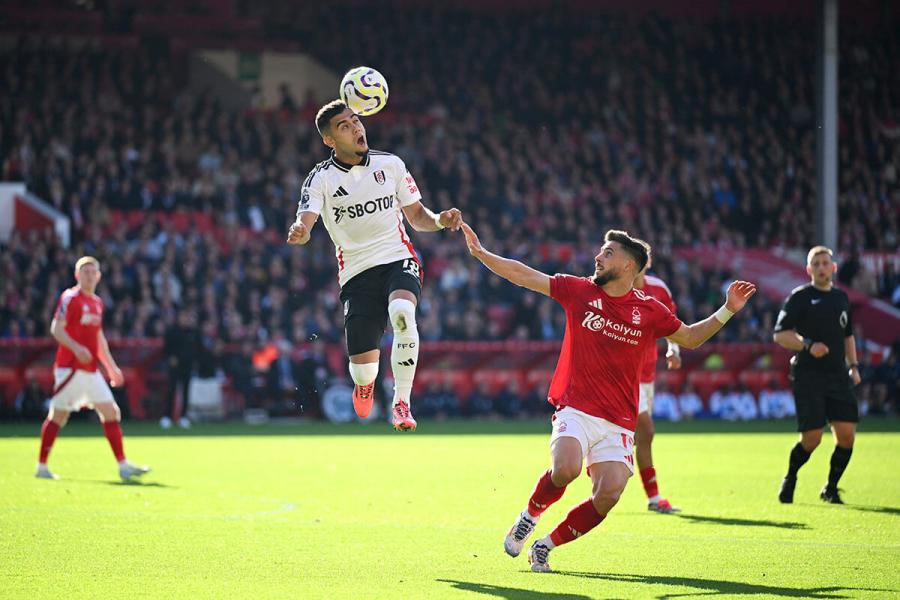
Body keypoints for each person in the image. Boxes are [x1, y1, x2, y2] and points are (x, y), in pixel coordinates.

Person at [460, 223, 755, 572]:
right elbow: (525, 275)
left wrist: (728, 310)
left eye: (608, 253)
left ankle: (545, 545)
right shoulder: (579, 290)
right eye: (601, 251)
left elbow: (689, 338)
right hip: (577, 407)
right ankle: (529, 516)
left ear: (629, 266)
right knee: (566, 468)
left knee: (610, 493)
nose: (598, 257)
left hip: (619, 420)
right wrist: (482, 254)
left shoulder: (650, 309)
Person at [287, 100, 462, 431]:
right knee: (364, 369)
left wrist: (440, 220)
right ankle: (365, 384)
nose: (356, 128)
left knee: (402, 313)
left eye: (356, 121)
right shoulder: (320, 179)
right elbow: (305, 220)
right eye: (344, 126)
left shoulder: (391, 164)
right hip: (356, 275)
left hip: (398, 259)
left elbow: (417, 216)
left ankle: (401, 403)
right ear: (329, 141)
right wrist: (301, 231)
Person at [36, 256, 150, 481]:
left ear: (98, 276)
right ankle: (41, 466)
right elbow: (56, 329)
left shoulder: (97, 302)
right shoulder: (70, 298)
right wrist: (77, 348)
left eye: (93, 272)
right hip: (70, 369)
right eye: (85, 272)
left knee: (111, 412)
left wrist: (111, 367)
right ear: (77, 276)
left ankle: (123, 465)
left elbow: (98, 339)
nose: (89, 276)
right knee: (59, 415)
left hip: (89, 370)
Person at [773, 246, 861, 504]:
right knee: (812, 439)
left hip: (837, 376)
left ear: (834, 268)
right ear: (808, 270)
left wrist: (853, 366)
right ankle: (791, 476)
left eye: (826, 263)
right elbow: (780, 335)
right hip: (808, 376)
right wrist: (808, 345)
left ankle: (830, 488)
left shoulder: (841, 298)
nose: (822, 267)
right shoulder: (800, 297)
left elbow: (848, 335)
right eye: (816, 264)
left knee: (846, 436)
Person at [632, 253, 681, 513]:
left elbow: (672, 325)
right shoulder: (618, 289)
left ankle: (652, 498)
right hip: (625, 375)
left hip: (647, 374)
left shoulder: (658, 289)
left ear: (646, 263)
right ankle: (653, 496)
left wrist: (674, 348)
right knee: (647, 431)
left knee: (642, 436)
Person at [161, 308, 199, 429]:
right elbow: (166, 348)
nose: (185, 319)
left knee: (186, 391)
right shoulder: (172, 331)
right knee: (171, 390)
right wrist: (171, 358)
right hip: (174, 366)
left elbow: (197, 348)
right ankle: (167, 416)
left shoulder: (193, 332)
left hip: (187, 366)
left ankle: (183, 417)